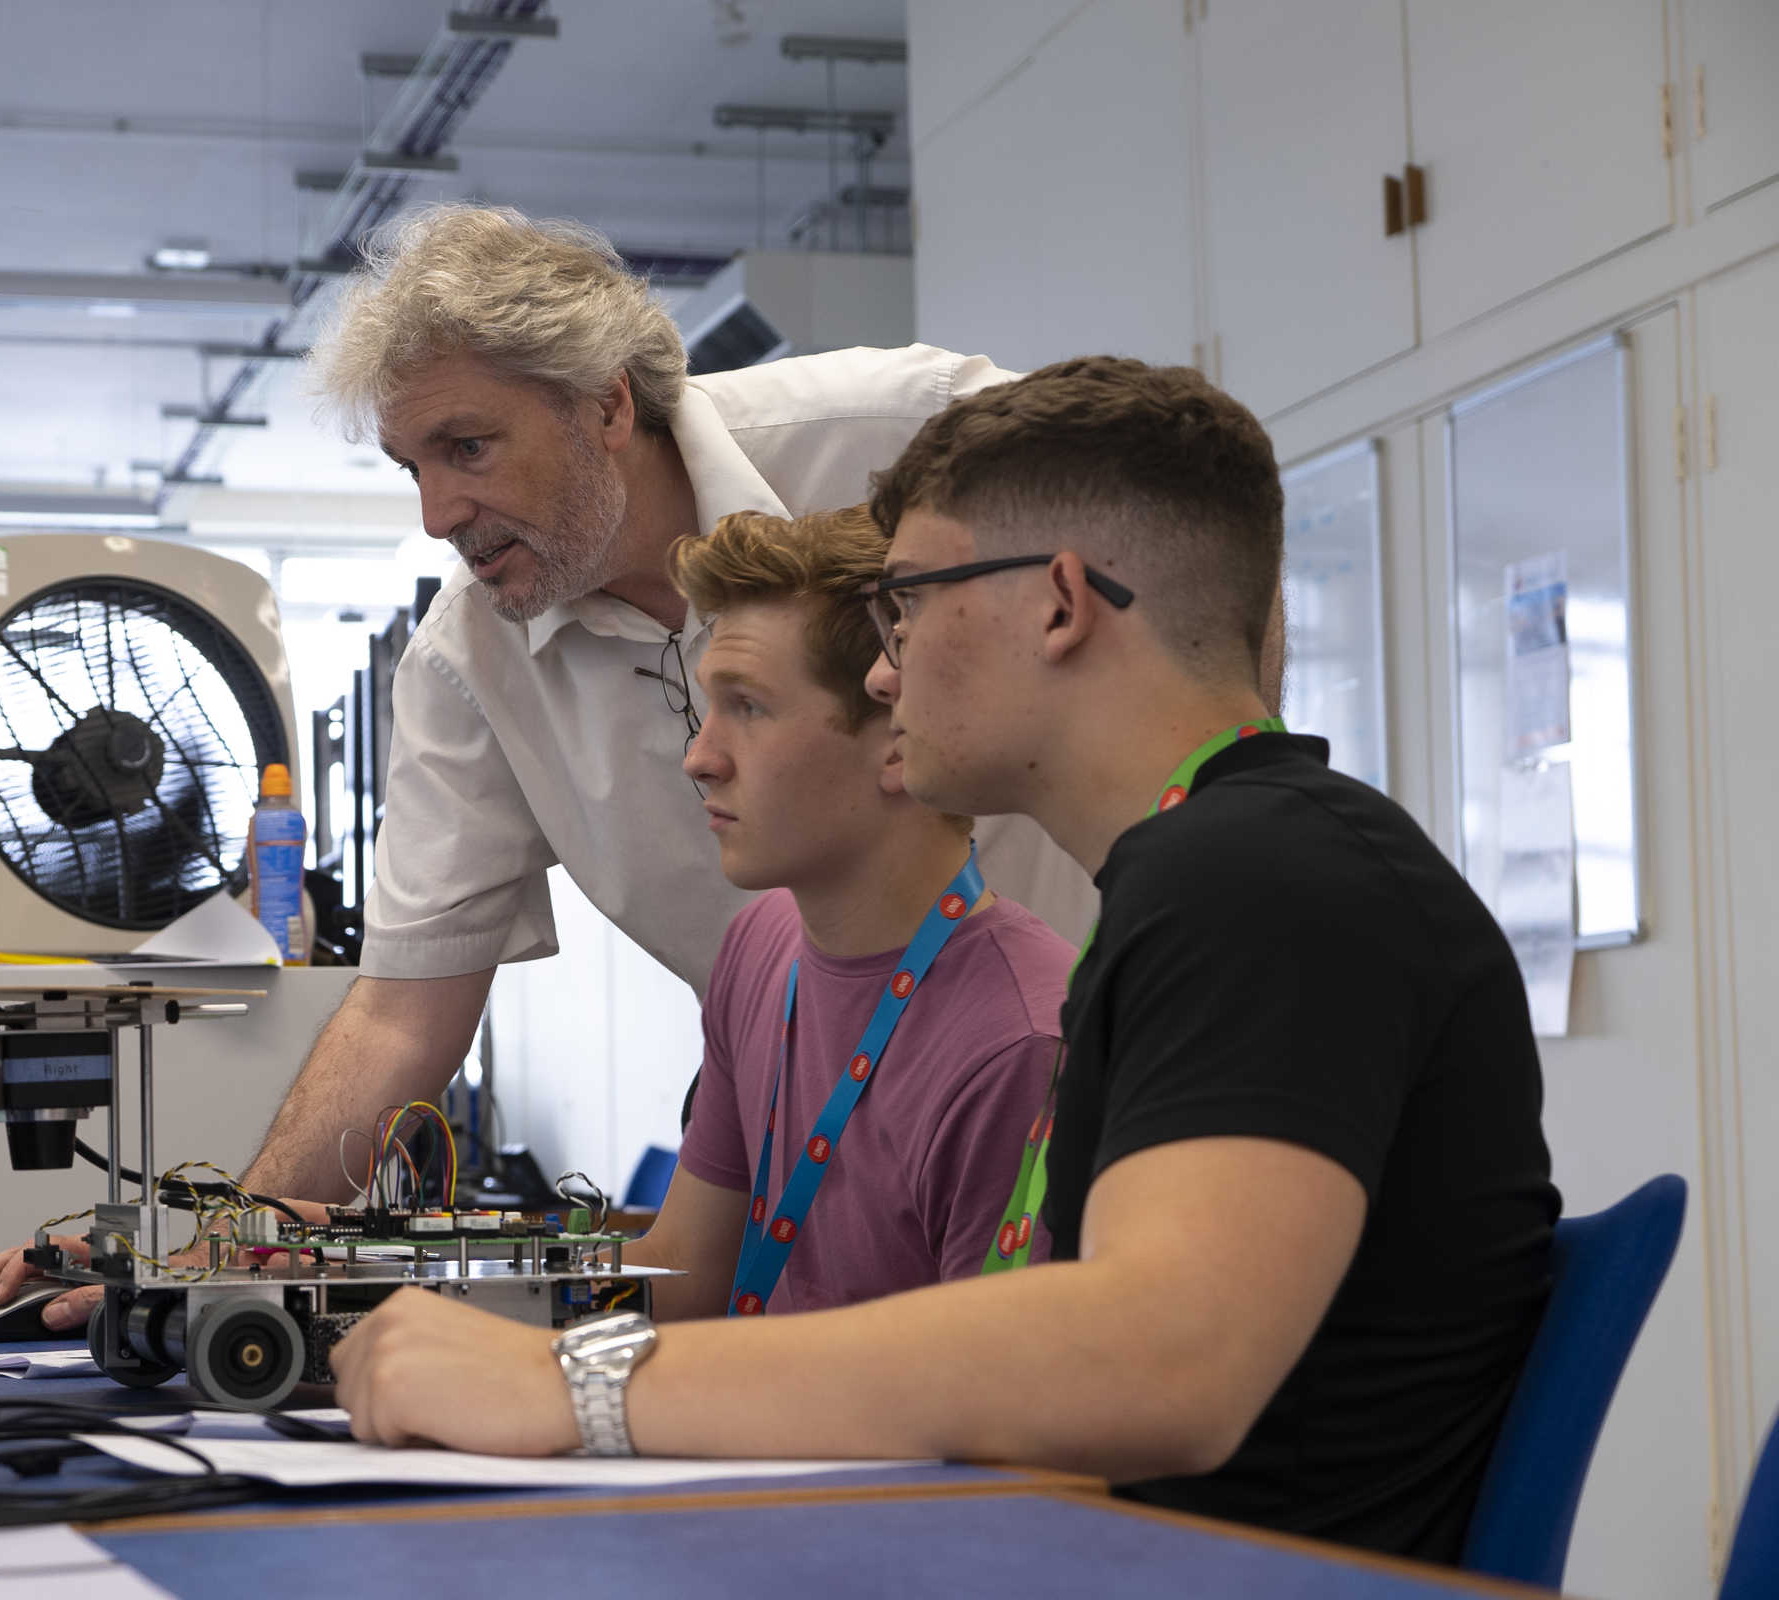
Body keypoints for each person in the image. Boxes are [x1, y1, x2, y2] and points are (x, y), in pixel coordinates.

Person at [329, 357, 1560, 1566]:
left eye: (907, 602)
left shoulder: (1270, 882)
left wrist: (579, 1385)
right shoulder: (1196, 875)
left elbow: (1156, 1358)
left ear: (1062, 606)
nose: (880, 665)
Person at [0, 203, 1098, 1330]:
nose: (440, 511)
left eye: (469, 446)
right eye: (411, 467)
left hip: (1077, 1060)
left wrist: (1203, 883)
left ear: (607, 406)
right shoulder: (470, 663)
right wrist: (216, 1263)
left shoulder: (909, 436)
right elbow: (405, 1007)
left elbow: (1188, 593)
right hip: (808, 1108)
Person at [622, 504, 1070, 1322]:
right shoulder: (760, 944)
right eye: (705, 708)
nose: (700, 757)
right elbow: (681, 1274)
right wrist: (408, 1289)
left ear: (899, 736)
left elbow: (987, 1409)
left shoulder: (1021, 1041)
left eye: (748, 707)